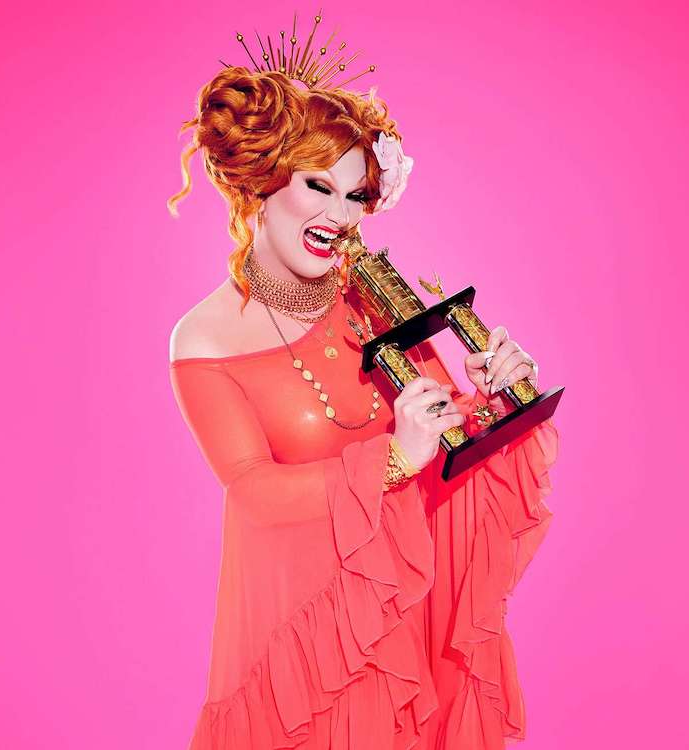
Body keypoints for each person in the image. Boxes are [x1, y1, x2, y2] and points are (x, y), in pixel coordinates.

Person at [166, 52, 559, 750]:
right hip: (305, 646)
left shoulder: (375, 302)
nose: (340, 215)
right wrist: (392, 461)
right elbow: (252, 491)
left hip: (402, 622)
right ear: (262, 182)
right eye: (319, 186)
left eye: (355, 196)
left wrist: (496, 400)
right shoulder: (204, 338)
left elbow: (440, 448)